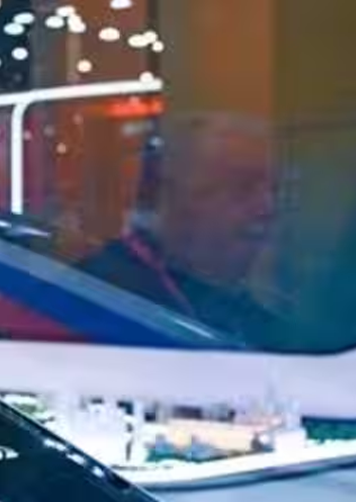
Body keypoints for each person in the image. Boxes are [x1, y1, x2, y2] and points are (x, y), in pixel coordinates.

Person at [80, 112, 284, 348]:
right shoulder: (95, 296)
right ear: (174, 198)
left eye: (274, 190)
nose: (268, 208)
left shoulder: (261, 321)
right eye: (243, 187)